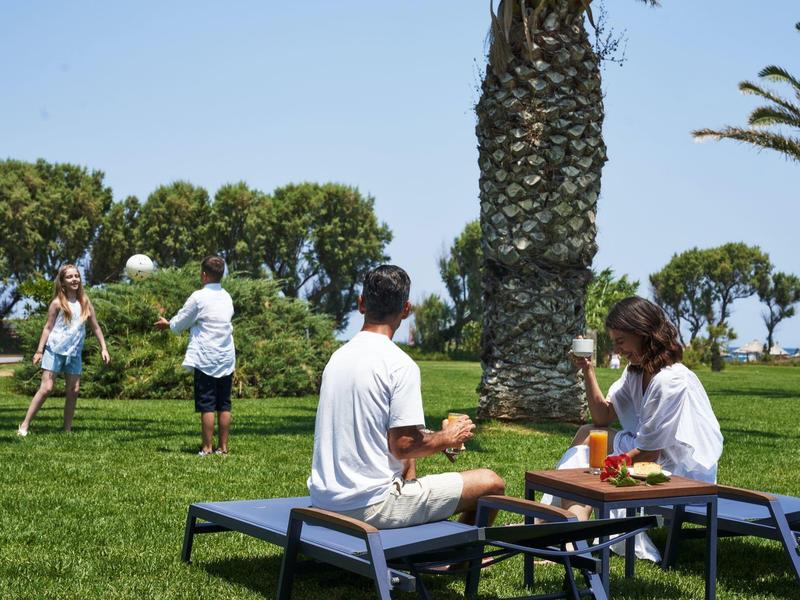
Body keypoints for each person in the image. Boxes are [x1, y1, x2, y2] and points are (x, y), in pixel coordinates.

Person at [308, 265, 505, 529]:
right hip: (370, 507)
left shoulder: (338, 358)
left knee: (407, 450)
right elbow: (403, 446)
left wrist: (434, 438)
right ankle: (458, 562)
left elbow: (395, 436)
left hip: (325, 500)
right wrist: (448, 437)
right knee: (490, 483)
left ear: (361, 304)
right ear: (406, 310)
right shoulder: (399, 364)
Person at [546, 296, 723, 560]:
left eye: (620, 341)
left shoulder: (670, 380)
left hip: (680, 470)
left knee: (588, 451)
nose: (618, 351)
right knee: (587, 443)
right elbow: (603, 416)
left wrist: (603, 466)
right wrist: (588, 370)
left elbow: (650, 454)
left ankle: (553, 528)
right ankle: (567, 535)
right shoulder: (636, 372)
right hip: (649, 454)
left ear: (642, 333)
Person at [155, 256, 235, 456]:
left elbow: (182, 321)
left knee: (207, 403)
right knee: (224, 403)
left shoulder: (198, 297)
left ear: (204, 275)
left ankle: (207, 448)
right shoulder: (227, 297)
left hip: (206, 357)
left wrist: (168, 324)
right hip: (226, 357)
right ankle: (223, 448)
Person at [17, 264, 110, 436]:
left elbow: (96, 328)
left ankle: (67, 429)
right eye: (69, 277)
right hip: (54, 350)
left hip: (74, 352)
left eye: (77, 276)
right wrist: (39, 351)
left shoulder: (85, 303)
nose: (74, 279)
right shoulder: (57, 303)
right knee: (47, 388)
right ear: (62, 282)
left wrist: (104, 348)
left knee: (73, 391)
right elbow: (48, 327)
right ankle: (24, 425)